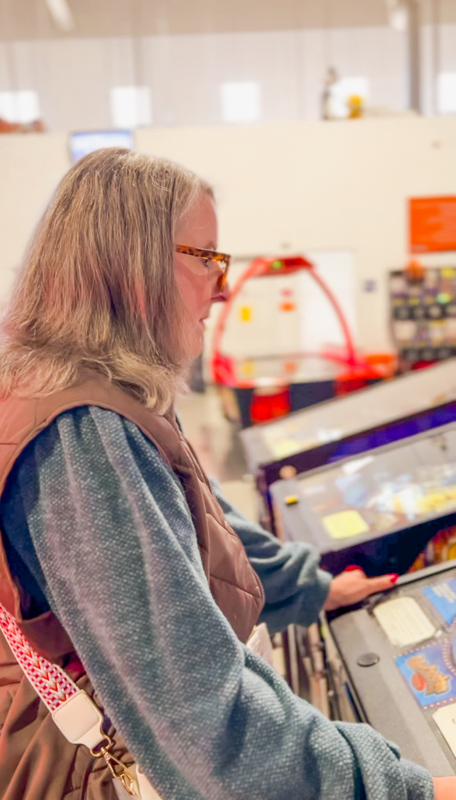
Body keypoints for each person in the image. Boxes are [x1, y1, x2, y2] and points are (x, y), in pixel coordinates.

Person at [0, 148, 453, 800]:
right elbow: (203, 720)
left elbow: (195, 518)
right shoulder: (81, 432)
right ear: (136, 265)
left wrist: (310, 587)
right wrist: (405, 790)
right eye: (206, 257)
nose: (223, 285)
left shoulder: (100, 390)